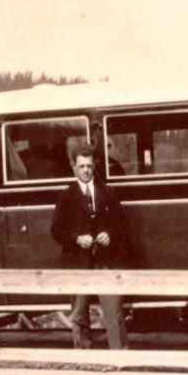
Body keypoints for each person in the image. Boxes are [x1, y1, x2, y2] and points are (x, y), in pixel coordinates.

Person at [50, 146, 130, 349]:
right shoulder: (66, 196)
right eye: (81, 166)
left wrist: (109, 234)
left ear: (94, 166)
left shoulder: (108, 192)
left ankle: (121, 357)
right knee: (79, 313)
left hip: (106, 261)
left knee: (114, 312)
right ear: (73, 167)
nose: (86, 170)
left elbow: (122, 222)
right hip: (78, 261)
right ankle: (84, 356)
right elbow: (57, 230)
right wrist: (76, 239)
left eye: (89, 166)